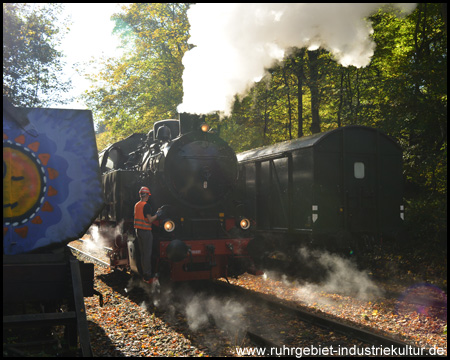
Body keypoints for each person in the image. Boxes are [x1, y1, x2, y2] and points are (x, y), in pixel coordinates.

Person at [134, 186, 160, 282]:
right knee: (147, 253)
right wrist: (158, 214)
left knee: (143, 253)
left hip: (138, 231)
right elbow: (150, 220)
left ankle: (144, 272)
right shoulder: (146, 206)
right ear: (147, 195)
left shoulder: (137, 205)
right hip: (146, 231)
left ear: (140, 195)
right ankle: (147, 274)